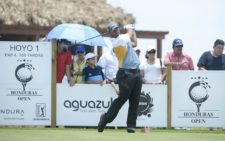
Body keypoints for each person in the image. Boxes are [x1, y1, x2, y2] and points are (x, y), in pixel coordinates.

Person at [97, 23, 142, 133]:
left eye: (117, 28)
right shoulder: (118, 41)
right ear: (110, 34)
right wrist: (130, 27)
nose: (116, 30)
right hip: (126, 73)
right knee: (122, 99)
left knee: (135, 100)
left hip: (136, 72)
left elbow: (135, 43)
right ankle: (106, 118)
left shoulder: (123, 40)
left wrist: (133, 29)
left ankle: (131, 125)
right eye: (113, 30)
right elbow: (130, 33)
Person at [197, 39, 225, 131]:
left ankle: (222, 125)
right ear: (214, 46)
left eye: (222, 48)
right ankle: (212, 125)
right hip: (207, 88)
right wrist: (209, 74)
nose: (221, 50)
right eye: (219, 48)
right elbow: (200, 67)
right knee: (211, 106)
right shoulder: (206, 55)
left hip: (222, 87)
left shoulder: (224, 57)